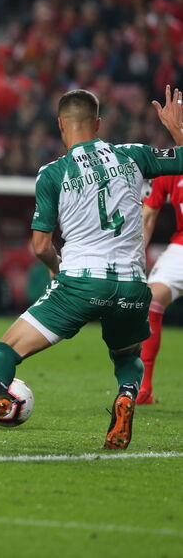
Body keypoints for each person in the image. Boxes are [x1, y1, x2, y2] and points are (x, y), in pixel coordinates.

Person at [0, 86, 183, 450]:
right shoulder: (135, 155)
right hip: (132, 285)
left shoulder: (52, 173)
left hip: (79, 283)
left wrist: (55, 268)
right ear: (99, 123)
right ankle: (125, 395)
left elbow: (41, 245)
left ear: (61, 125)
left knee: (5, 350)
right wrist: (175, 128)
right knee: (127, 357)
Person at [137, 92, 183, 405]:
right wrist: (136, 255)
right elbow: (149, 213)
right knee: (151, 299)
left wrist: (175, 130)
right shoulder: (171, 163)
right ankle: (144, 387)